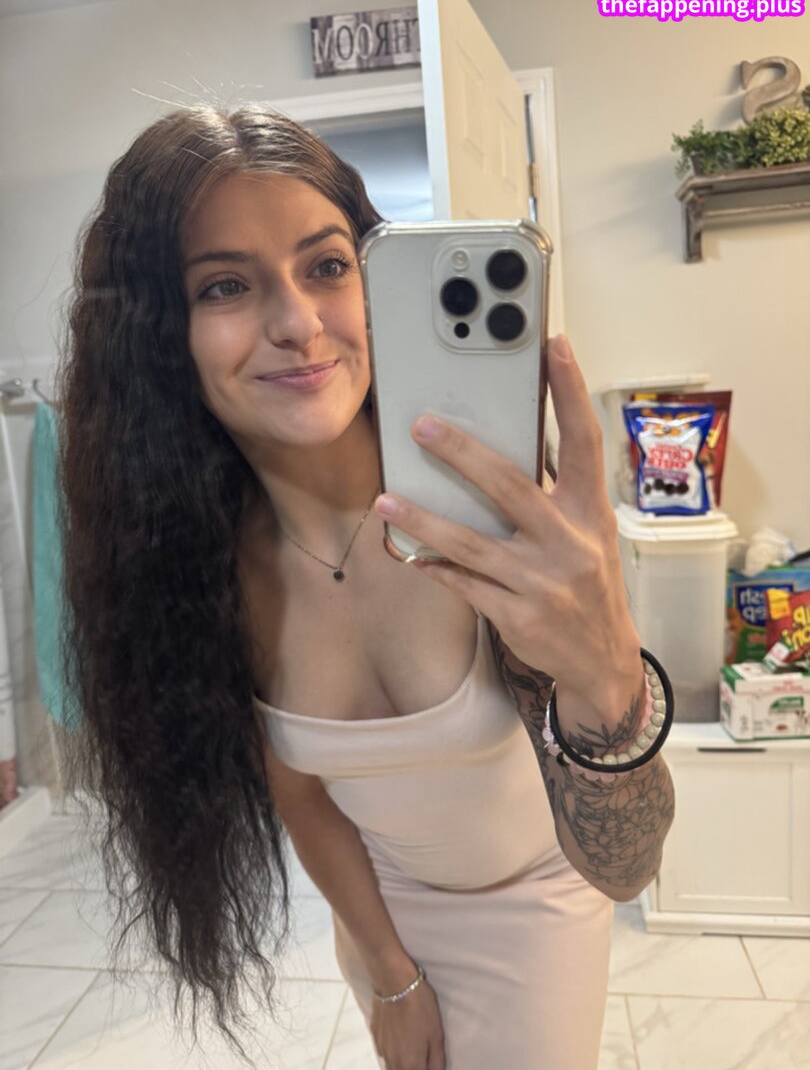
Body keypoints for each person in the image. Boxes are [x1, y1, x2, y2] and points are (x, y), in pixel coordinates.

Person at [56, 103, 676, 1070]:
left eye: (327, 266)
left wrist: (606, 677)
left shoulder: (482, 522)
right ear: (159, 336)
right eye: (225, 285)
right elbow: (303, 796)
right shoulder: (195, 574)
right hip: (380, 910)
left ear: (375, 282)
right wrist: (390, 972)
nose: (298, 324)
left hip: (541, 901)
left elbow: (626, 866)